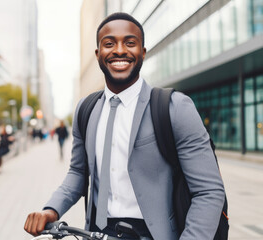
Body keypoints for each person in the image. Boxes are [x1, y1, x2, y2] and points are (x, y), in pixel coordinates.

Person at [24, 12, 226, 239]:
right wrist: (51, 209)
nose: (119, 50)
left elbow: (209, 191)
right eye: (109, 44)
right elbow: (78, 172)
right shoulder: (85, 109)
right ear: (98, 53)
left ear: (143, 52)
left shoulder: (175, 107)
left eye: (130, 43)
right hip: (98, 232)